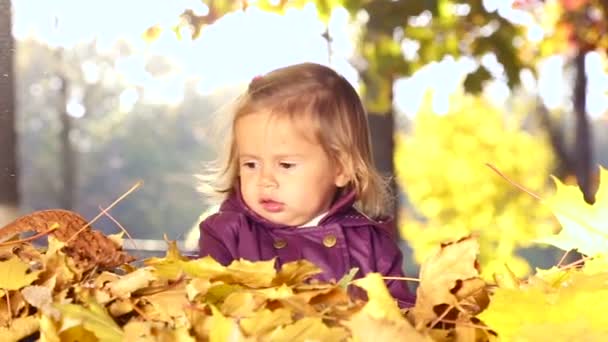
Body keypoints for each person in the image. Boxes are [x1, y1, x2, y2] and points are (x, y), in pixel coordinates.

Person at [197, 62, 415, 307]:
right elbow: (206, 309)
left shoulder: (371, 245)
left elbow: (400, 320)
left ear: (340, 168)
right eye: (250, 164)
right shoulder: (226, 235)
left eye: (286, 165)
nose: (265, 180)